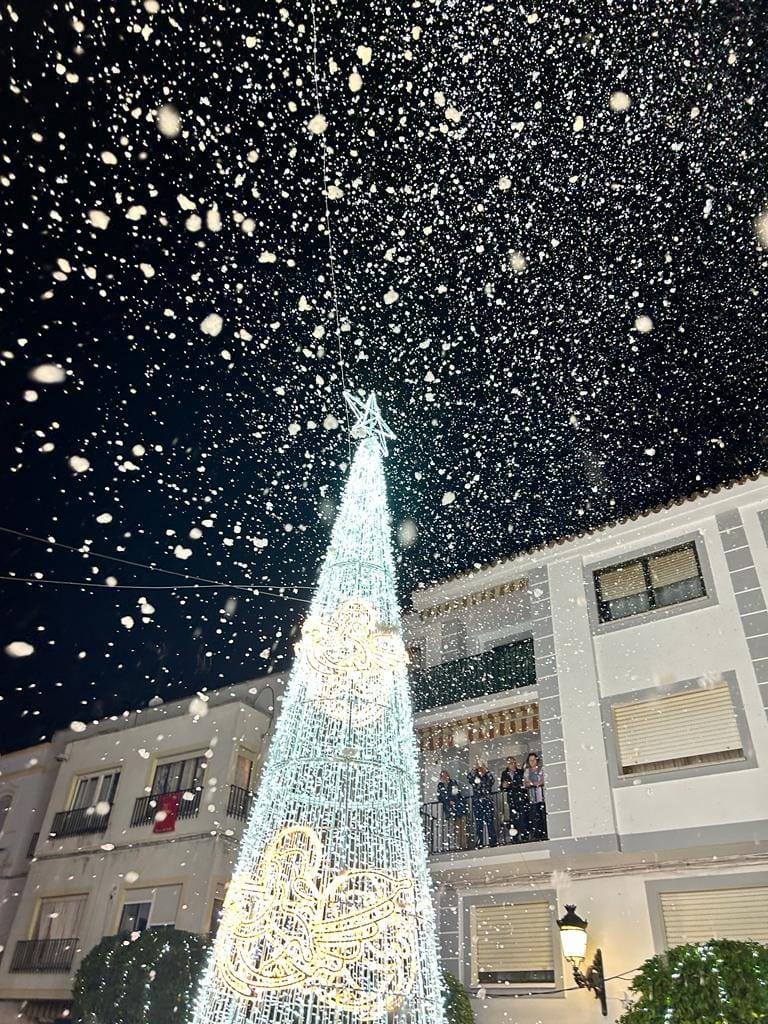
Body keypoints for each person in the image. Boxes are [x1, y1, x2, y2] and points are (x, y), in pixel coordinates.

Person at [467, 759, 498, 848]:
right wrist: (474, 768)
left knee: (490, 821)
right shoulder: (474, 777)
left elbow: (492, 780)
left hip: (487, 801)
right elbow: (469, 778)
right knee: (479, 823)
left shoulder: (487, 777)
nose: (480, 767)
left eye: (481, 766)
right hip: (477, 802)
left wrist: (486, 770)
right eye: (479, 766)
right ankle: (479, 842)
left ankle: (493, 841)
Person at [500, 755, 527, 843]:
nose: (511, 764)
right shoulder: (504, 773)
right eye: (509, 763)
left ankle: (524, 836)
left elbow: (522, 784)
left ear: (515, 763)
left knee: (523, 817)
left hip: (521, 797)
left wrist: (512, 785)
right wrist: (504, 786)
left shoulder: (520, 772)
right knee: (514, 818)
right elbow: (502, 786)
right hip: (512, 798)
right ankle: (515, 838)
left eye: (513, 762)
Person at [524, 752, 547, 841]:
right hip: (532, 797)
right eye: (530, 760)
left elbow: (543, 780)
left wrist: (535, 783)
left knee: (542, 815)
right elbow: (526, 782)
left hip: (542, 796)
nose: (532, 762)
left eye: (534, 760)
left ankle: (544, 832)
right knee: (534, 816)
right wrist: (534, 784)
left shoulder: (542, 769)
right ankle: (536, 833)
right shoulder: (527, 771)